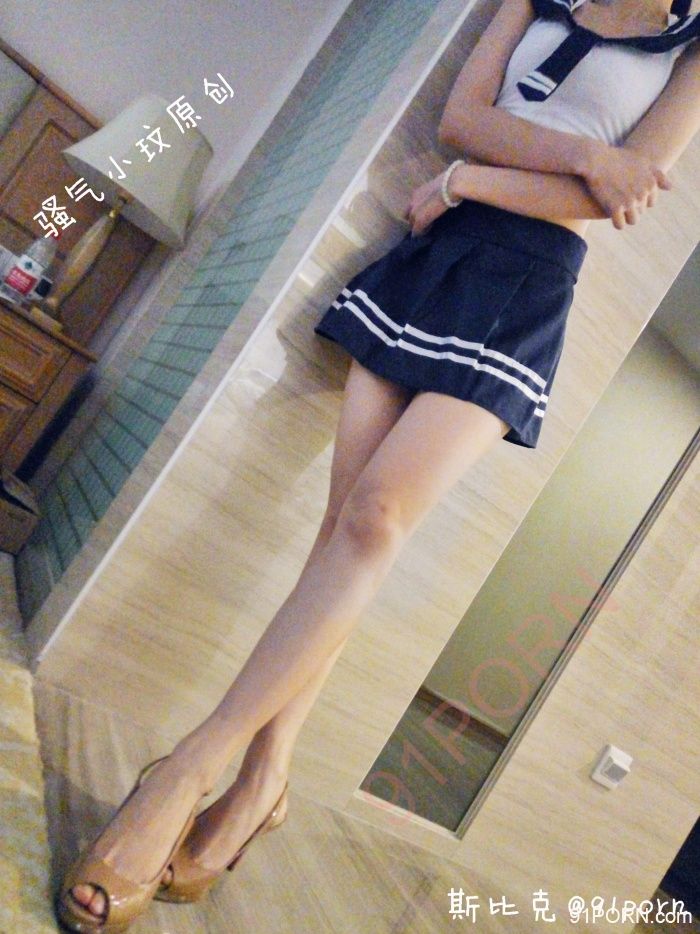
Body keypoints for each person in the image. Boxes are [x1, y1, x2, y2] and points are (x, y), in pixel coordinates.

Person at [55, 0, 700, 930]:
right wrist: (582, 155)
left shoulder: (691, 45)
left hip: (525, 283)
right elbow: (462, 119)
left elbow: (606, 199)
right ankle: (265, 783)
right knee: (341, 536)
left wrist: (475, 180)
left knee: (374, 520)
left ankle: (190, 766)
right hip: (438, 255)